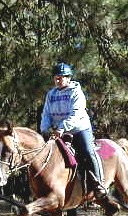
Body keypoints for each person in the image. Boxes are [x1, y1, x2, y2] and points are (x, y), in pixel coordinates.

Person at [40, 62, 107, 199]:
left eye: (61, 77)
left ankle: (99, 184)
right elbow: (46, 114)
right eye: (56, 77)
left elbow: (75, 114)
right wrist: (44, 129)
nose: (58, 80)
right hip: (59, 132)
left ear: (68, 78)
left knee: (88, 152)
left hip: (79, 129)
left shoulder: (76, 92)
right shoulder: (50, 94)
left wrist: (61, 128)